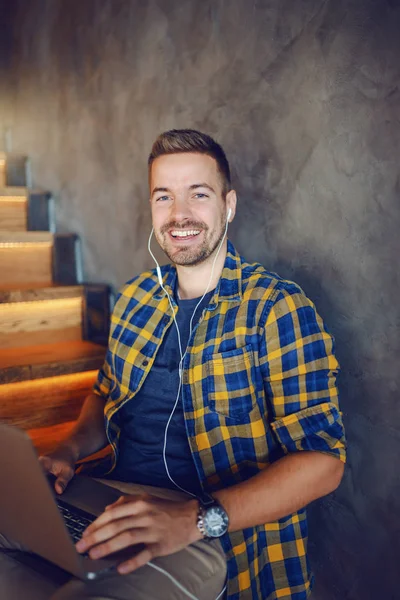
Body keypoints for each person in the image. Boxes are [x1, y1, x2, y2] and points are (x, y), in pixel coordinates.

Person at [0, 129, 346, 600]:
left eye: (197, 195)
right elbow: (105, 396)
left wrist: (194, 518)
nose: (178, 215)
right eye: (164, 197)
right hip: (107, 498)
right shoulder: (136, 297)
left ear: (228, 206)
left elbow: (324, 463)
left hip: (210, 532)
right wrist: (66, 452)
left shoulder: (275, 307)